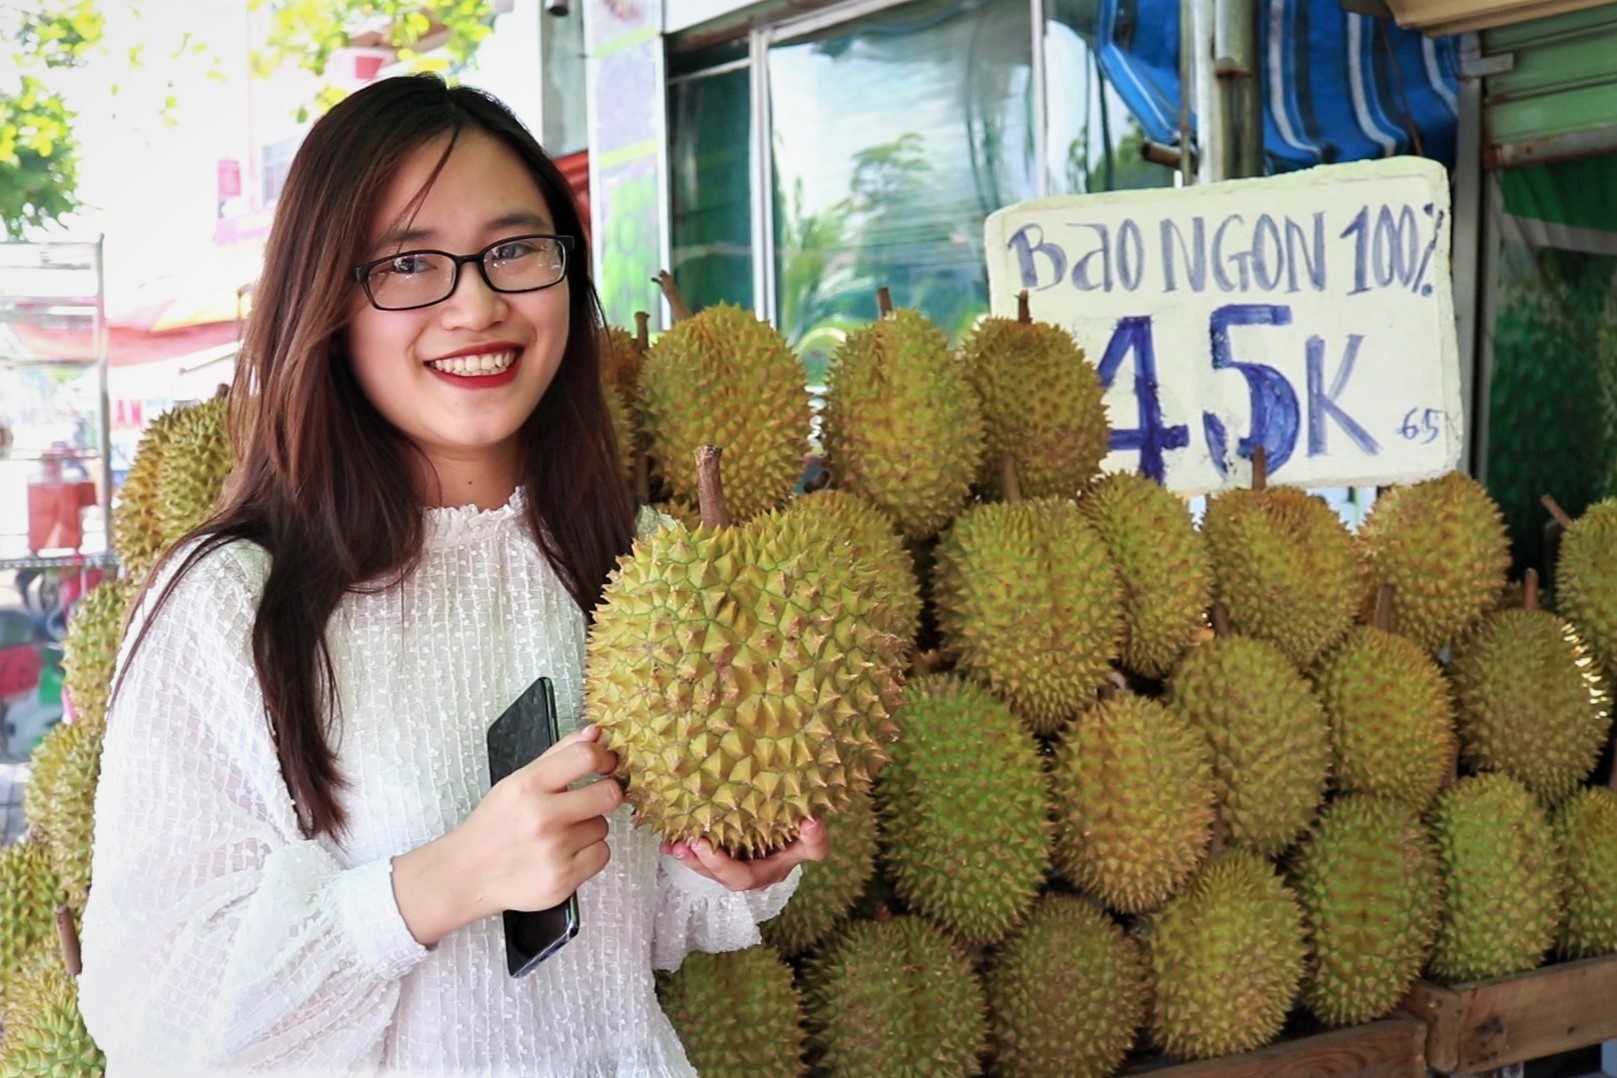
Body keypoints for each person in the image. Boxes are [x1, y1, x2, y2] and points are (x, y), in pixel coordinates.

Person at [78, 73, 826, 1076]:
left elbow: (633, 932)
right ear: (326, 298)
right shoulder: (229, 604)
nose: (476, 304)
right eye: (408, 263)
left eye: (515, 251)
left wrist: (732, 863)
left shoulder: (652, 563)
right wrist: (431, 888)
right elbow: (158, 1016)